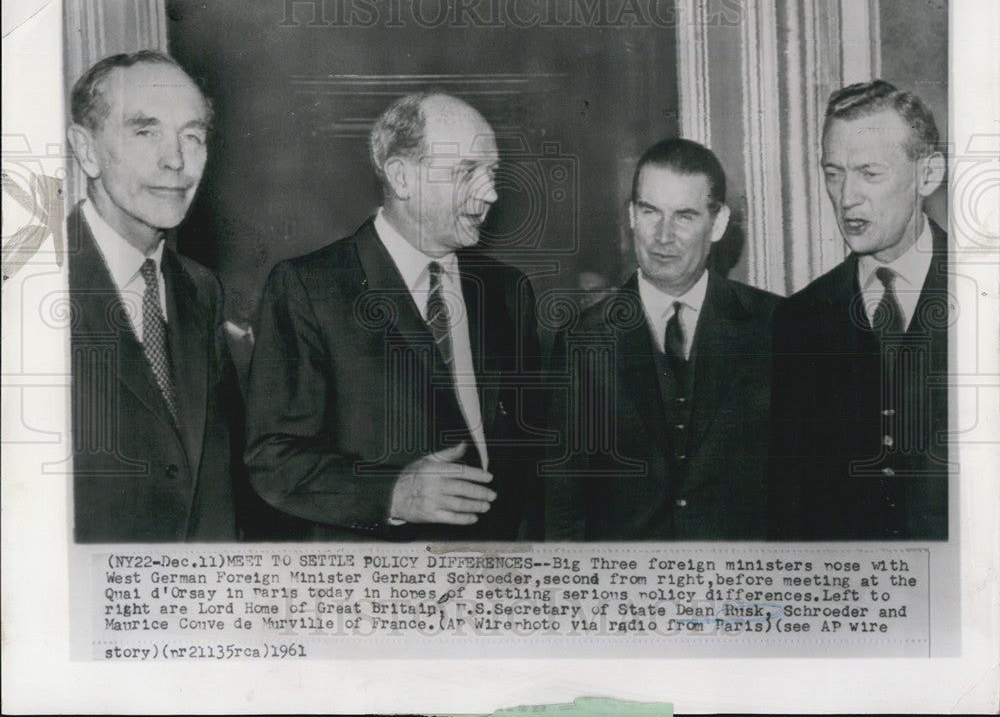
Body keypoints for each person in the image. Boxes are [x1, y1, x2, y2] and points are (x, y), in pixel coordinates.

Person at [245, 92, 542, 540]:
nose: (492, 193)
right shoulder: (309, 288)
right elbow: (274, 458)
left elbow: (531, 453)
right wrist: (393, 494)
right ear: (402, 176)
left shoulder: (509, 291)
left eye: (492, 172)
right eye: (466, 172)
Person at [545, 138, 781, 540]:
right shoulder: (582, 339)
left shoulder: (776, 325)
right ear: (632, 215)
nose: (663, 236)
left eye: (684, 216)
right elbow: (561, 504)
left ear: (718, 223)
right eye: (650, 211)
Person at [66, 50, 240, 542]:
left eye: (193, 136)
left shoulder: (202, 290)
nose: (177, 160)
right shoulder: (33, 283)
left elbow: (213, 489)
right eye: (145, 132)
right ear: (87, 150)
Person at [769, 80, 949, 541]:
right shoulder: (800, 319)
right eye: (833, 173)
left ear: (927, 175)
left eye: (870, 173)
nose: (847, 197)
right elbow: (790, 506)